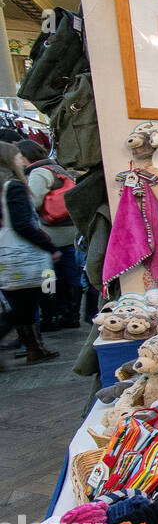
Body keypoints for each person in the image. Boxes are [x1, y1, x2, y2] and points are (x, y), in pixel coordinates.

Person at [0, 143, 59, 364]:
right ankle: (35, 347)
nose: (21, 160)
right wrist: (48, 246)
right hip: (22, 255)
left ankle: (35, 348)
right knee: (26, 304)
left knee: (21, 304)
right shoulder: (13, 186)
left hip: (7, 256)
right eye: (17, 156)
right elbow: (22, 224)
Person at [17, 139, 80, 330]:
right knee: (71, 275)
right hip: (70, 230)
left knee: (53, 279)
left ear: (26, 156)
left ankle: (61, 314)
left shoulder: (38, 173)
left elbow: (33, 203)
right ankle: (72, 313)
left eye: (19, 156)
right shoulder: (56, 168)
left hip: (52, 234)